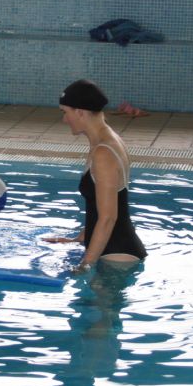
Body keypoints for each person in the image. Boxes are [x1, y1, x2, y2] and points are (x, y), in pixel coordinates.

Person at [44, 79, 147, 271]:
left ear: (80, 112)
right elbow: (100, 205)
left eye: (65, 112)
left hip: (116, 255)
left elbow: (108, 218)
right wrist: (78, 239)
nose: (64, 119)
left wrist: (85, 264)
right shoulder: (106, 141)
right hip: (111, 250)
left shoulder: (104, 153)